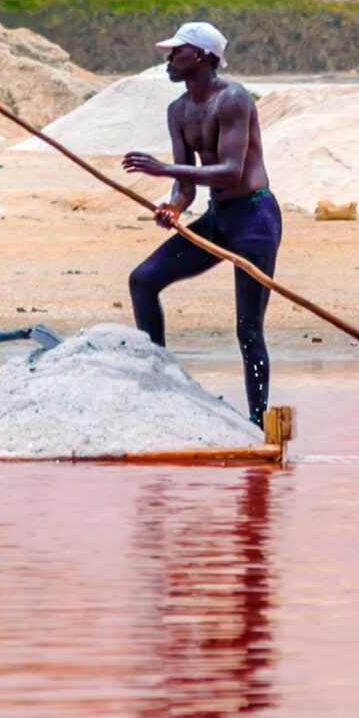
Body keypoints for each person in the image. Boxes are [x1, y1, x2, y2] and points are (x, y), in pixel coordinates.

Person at [121, 22, 281, 427]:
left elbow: (230, 171)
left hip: (255, 219)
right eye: (170, 52)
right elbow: (186, 183)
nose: (169, 59)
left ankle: (257, 423)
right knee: (143, 280)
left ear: (205, 57)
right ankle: (158, 380)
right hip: (218, 219)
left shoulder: (233, 100)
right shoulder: (177, 110)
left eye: (178, 51)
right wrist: (174, 207)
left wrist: (160, 168)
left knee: (248, 328)